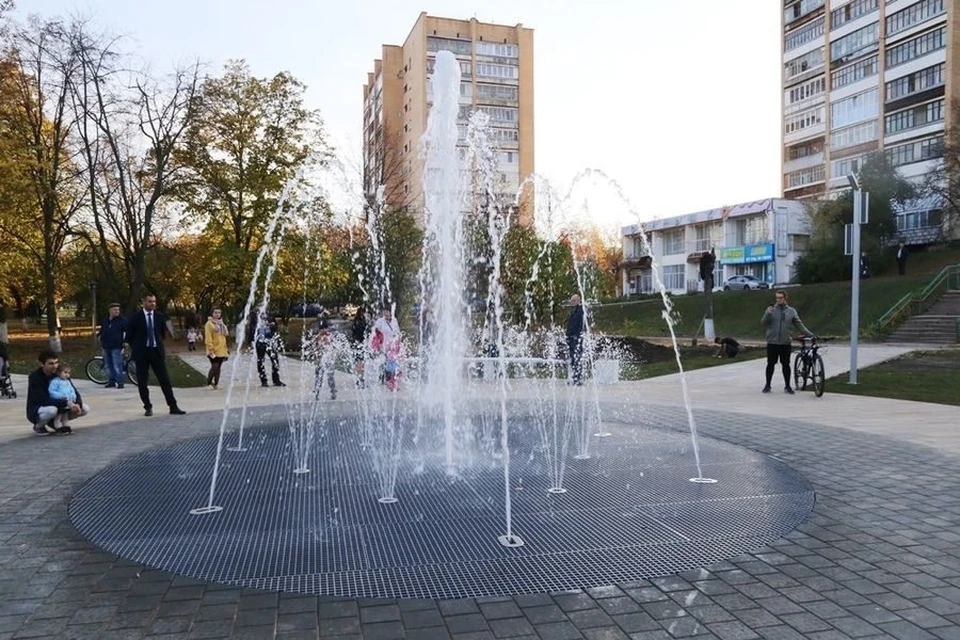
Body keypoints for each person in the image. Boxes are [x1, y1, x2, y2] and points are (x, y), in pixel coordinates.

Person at [126, 294, 186, 417]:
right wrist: (137, 348)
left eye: (154, 301)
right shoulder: (135, 318)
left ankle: (173, 406)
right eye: (150, 301)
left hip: (156, 352)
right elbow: (129, 336)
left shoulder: (159, 317)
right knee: (142, 381)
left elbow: (162, 335)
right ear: (143, 302)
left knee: (165, 380)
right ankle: (147, 406)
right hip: (142, 353)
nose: (152, 304)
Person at [761, 290, 814, 394]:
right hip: (772, 342)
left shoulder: (791, 311)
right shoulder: (771, 310)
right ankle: (767, 385)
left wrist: (810, 334)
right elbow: (763, 323)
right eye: (777, 298)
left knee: (786, 364)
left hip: (785, 343)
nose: (779, 300)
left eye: (781, 298)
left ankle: (787, 386)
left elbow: (799, 324)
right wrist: (768, 313)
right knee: (770, 364)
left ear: (785, 298)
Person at [26, 349, 88, 435]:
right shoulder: (35, 377)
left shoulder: (60, 373)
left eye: (56, 362)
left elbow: (73, 391)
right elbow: (42, 400)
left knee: (84, 409)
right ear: (41, 364)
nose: (55, 366)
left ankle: (55, 423)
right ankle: (39, 426)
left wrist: (77, 404)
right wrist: (66, 402)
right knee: (52, 410)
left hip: (61, 405)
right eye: (51, 363)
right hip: (39, 408)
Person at [371, 305, 401, 388]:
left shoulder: (394, 320)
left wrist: (398, 341)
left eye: (387, 311)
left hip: (392, 345)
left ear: (390, 312)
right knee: (384, 361)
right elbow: (375, 332)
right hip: (383, 345)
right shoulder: (380, 321)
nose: (385, 313)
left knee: (392, 361)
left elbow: (397, 331)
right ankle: (384, 378)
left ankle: (390, 379)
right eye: (384, 311)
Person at [98, 302, 127, 389]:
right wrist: (99, 336)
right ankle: (111, 381)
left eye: (118, 309)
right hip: (106, 345)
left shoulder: (122, 320)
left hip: (116, 346)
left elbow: (127, 331)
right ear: (110, 310)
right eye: (115, 310)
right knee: (108, 364)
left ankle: (120, 382)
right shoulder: (106, 320)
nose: (117, 311)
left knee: (117, 364)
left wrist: (125, 341)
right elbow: (103, 330)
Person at [254, 311, 285, 387]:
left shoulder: (270, 316)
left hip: (270, 341)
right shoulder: (255, 317)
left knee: (275, 360)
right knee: (260, 361)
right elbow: (252, 329)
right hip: (260, 342)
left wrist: (271, 325)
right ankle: (263, 381)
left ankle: (276, 380)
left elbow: (275, 327)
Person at [310, 314, 337, 400]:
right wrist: (315, 356)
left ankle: (333, 391)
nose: (323, 330)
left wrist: (333, 356)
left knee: (330, 377)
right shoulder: (317, 337)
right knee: (318, 377)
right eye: (322, 329)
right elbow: (314, 348)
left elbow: (334, 348)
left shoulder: (330, 337)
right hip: (320, 360)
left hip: (329, 359)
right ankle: (317, 392)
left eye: (325, 328)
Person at [47, 363, 80, 432]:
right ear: (58, 373)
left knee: (65, 415)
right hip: (60, 401)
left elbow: (72, 389)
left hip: (68, 401)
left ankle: (65, 425)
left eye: (68, 373)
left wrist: (73, 396)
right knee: (59, 415)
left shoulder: (67, 381)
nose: (67, 375)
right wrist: (61, 396)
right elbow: (51, 391)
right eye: (65, 372)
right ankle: (57, 426)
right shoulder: (55, 381)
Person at [204, 307, 230, 390]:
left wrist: (226, 348)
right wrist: (210, 348)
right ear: (212, 313)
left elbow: (224, 336)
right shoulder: (209, 324)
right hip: (213, 349)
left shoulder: (221, 324)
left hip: (222, 349)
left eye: (219, 312)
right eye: (215, 312)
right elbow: (208, 337)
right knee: (214, 366)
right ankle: (208, 383)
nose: (217, 314)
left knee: (218, 367)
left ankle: (216, 384)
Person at [566, 294, 586, 386]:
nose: (571, 302)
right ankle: (575, 376)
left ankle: (578, 377)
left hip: (576, 338)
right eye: (571, 301)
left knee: (576, 357)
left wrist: (577, 336)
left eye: (573, 301)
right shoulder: (574, 311)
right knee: (573, 358)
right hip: (572, 337)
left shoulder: (580, 311)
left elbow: (579, 325)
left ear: (578, 301)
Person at [350, 308, 368, 388]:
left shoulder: (360, 320)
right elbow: (361, 331)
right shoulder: (359, 321)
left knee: (361, 362)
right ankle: (360, 378)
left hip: (359, 343)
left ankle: (360, 378)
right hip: (359, 343)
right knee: (359, 362)